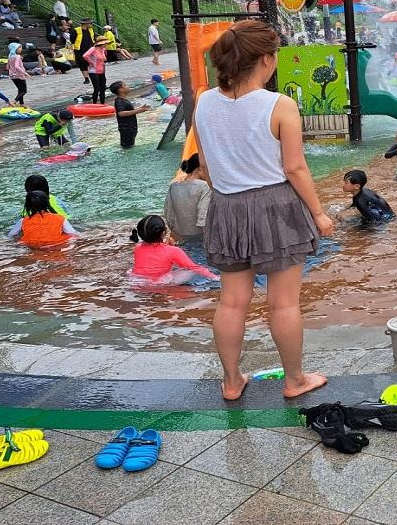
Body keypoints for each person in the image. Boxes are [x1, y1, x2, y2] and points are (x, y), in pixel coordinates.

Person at [192, 20, 333, 401]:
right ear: (266, 61)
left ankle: (232, 381)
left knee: (231, 301)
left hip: (226, 206)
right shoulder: (279, 104)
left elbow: (203, 165)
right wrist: (319, 214)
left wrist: (232, 195)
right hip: (277, 206)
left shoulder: (204, 101)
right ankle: (295, 380)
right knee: (283, 302)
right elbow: (295, 167)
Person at [129, 214, 217, 286]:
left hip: (138, 281)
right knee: (192, 269)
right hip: (161, 283)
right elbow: (194, 267)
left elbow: (154, 253)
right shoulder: (173, 251)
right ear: (163, 233)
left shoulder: (137, 248)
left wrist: (165, 244)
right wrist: (215, 278)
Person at [164, 155, 211, 241]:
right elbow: (203, 217)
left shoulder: (173, 186)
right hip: (198, 236)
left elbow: (168, 214)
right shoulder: (205, 186)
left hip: (179, 234)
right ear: (200, 169)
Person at [7, 191, 77, 246]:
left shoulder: (23, 221)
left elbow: (11, 235)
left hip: (32, 248)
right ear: (48, 204)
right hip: (54, 246)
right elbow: (73, 233)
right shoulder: (60, 219)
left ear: (28, 206)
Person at [111, 81, 150, 149]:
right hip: (126, 129)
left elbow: (127, 111)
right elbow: (121, 113)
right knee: (127, 148)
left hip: (130, 127)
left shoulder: (124, 100)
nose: (128, 87)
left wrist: (140, 108)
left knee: (130, 146)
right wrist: (138, 111)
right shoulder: (119, 101)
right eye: (125, 85)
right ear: (121, 90)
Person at [73, 19, 97, 85]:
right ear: (86, 24)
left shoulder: (91, 30)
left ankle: (94, 76)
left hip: (90, 49)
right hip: (79, 50)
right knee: (82, 64)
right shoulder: (76, 30)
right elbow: (72, 39)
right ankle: (86, 78)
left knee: (91, 63)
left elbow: (94, 38)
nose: (91, 25)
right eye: (90, 23)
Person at [83, 40, 108, 104]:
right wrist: (91, 62)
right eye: (105, 43)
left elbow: (104, 59)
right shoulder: (93, 49)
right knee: (97, 89)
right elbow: (85, 56)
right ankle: (94, 104)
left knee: (103, 88)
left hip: (102, 71)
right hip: (93, 71)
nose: (106, 44)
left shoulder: (103, 50)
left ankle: (103, 104)